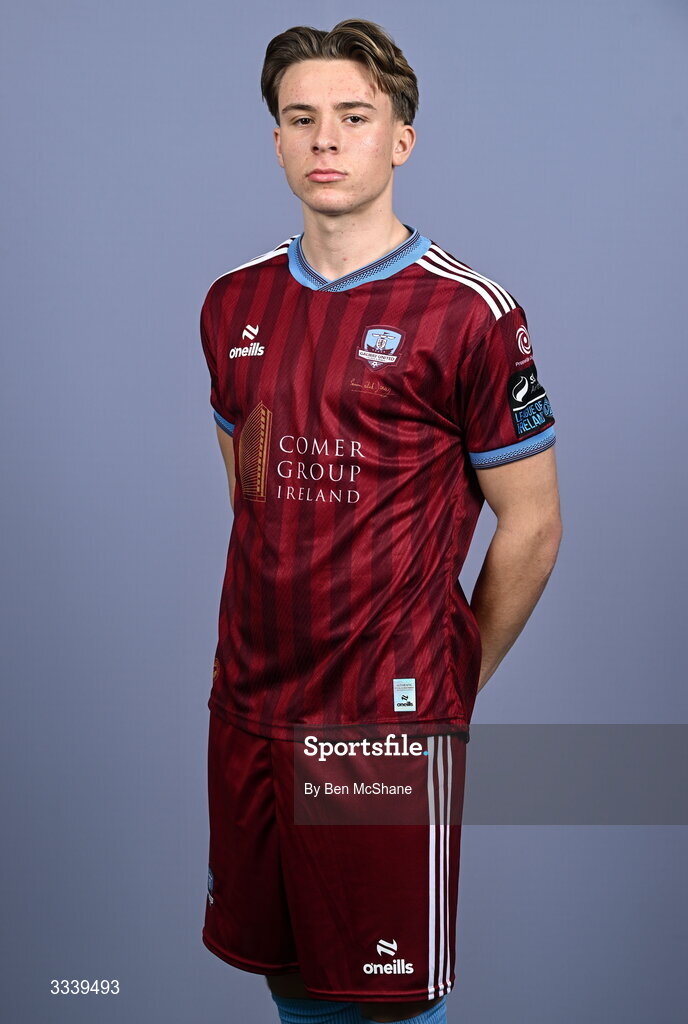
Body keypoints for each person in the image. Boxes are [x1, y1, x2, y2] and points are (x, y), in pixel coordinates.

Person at [199, 18, 562, 1024]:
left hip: (381, 726)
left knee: (386, 995)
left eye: (352, 117)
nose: (325, 139)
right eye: (301, 118)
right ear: (275, 139)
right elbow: (252, 488)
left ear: (398, 138)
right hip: (251, 703)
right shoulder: (233, 303)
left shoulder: (471, 314)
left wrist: (446, 676)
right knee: (286, 972)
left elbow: (531, 529)